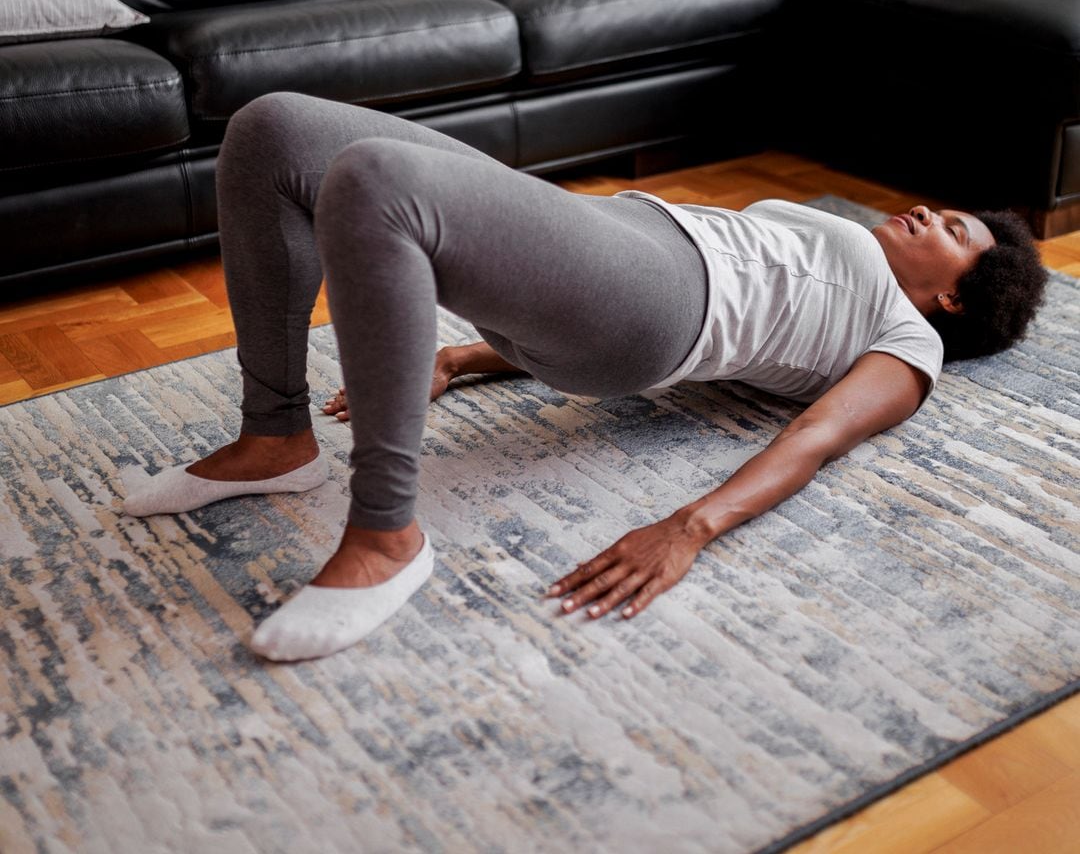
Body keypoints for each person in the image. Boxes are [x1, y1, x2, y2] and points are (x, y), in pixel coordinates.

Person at [121, 92, 1048, 662]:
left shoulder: (907, 344)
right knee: (272, 129)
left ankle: (386, 535)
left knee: (374, 182)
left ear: (957, 303)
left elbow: (819, 435)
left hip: (653, 301)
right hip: (614, 238)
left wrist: (691, 527)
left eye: (955, 234)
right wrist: (465, 356)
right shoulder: (853, 252)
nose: (931, 213)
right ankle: (275, 434)